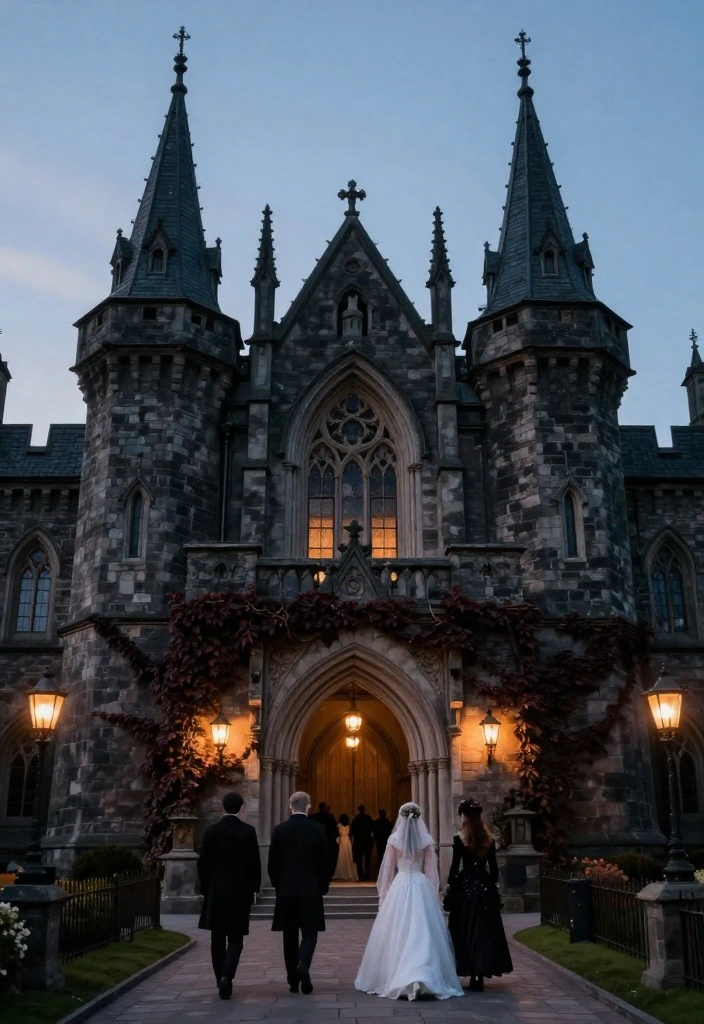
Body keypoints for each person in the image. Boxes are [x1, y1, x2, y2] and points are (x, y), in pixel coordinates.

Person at [355, 801, 463, 1001]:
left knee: (399, 931)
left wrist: (384, 895)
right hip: (419, 885)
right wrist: (434, 894)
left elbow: (387, 872)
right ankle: (422, 975)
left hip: (401, 884)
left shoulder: (394, 840)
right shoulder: (426, 840)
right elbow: (431, 872)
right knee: (422, 932)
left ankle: (404, 976)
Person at [197, 791, 261, 1001]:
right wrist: (254, 888)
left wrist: (206, 889)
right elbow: (254, 863)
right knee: (235, 939)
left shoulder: (211, 832)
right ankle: (227, 975)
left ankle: (219, 978)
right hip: (239, 893)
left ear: (223, 807)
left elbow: (203, 864)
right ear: (241, 807)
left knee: (217, 938)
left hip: (216, 892)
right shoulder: (248, 831)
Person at [268, 791, 332, 995]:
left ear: (290, 806)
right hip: (310, 889)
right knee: (310, 932)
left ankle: (293, 981)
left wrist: (279, 886)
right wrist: (323, 885)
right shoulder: (318, 829)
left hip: (286, 891)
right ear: (308, 806)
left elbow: (272, 864)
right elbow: (325, 862)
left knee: (289, 936)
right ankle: (303, 962)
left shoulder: (279, 830)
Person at [445, 798, 513, 991]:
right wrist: (493, 887)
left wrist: (451, 885)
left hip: (466, 886)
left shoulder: (460, 840)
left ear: (465, 819)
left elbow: (454, 866)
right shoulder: (488, 840)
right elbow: (493, 869)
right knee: (483, 930)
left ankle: (470, 968)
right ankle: (480, 974)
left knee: (466, 929)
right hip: (483, 886)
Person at [310, 800, 339, 872]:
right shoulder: (330, 816)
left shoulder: (314, 816)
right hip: (329, 840)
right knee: (330, 858)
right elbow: (335, 830)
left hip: (317, 841)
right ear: (325, 807)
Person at [350, 803, 374, 881]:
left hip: (358, 840)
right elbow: (372, 828)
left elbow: (352, 831)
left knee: (359, 859)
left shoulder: (356, 819)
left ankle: (360, 874)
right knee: (367, 858)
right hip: (367, 840)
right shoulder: (368, 818)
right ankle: (367, 874)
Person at [333, 813, 357, 881]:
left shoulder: (339, 826)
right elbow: (350, 835)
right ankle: (350, 873)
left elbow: (338, 835)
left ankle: (342, 873)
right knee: (349, 857)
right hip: (348, 842)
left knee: (342, 857)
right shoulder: (349, 826)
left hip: (342, 842)